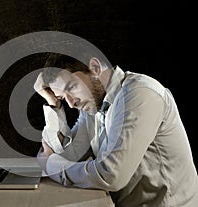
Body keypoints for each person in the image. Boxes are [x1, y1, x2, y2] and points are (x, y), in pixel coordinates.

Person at [34, 53, 197, 207]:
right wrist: (53, 104)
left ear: (95, 68)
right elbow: (68, 157)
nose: (71, 104)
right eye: (63, 97)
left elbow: (111, 175)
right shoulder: (93, 106)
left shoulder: (140, 94)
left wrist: (50, 165)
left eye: (72, 87)